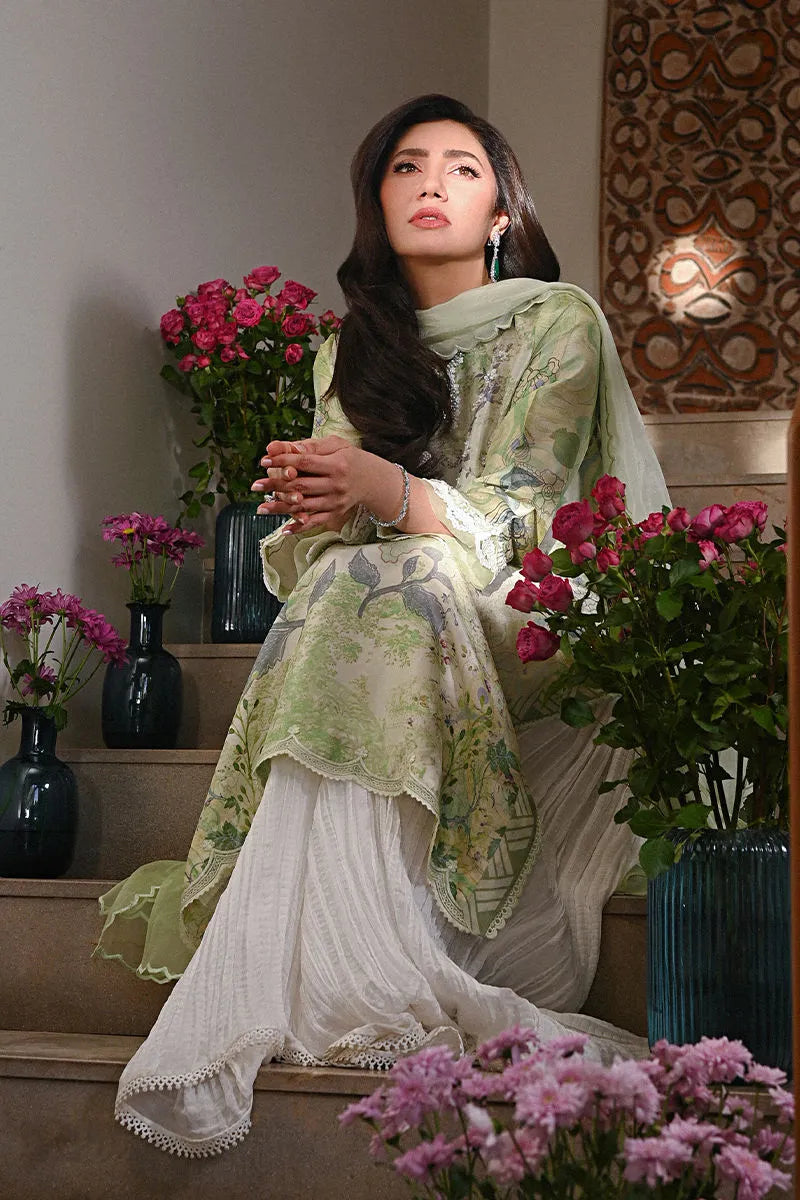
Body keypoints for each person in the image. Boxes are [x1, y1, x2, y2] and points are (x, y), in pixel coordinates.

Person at [93, 93, 670, 1157]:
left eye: (461, 168)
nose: (431, 184)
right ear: (377, 202)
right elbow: (322, 550)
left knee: (391, 574)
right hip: (400, 597)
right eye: (407, 167)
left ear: (501, 212)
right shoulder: (348, 349)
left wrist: (385, 493)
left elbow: (529, 514)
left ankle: (366, 949)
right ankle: (353, 953)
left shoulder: (557, 320)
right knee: (355, 581)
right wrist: (318, 504)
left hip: (529, 602)